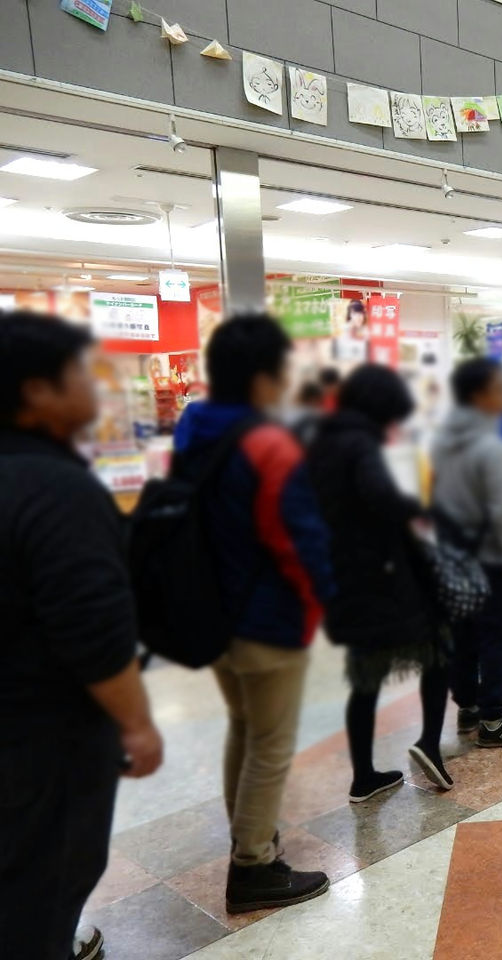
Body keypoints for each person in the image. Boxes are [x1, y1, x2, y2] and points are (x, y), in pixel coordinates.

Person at [0, 312, 164, 959]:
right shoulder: (56, 489)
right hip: (43, 739)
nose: (95, 388)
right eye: (80, 373)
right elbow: (93, 627)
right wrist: (136, 724)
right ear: (37, 391)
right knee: (41, 889)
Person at [172, 314, 335, 914]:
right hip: (267, 619)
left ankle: (252, 839)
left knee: (244, 727)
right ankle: (253, 868)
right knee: (270, 743)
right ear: (263, 377)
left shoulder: (193, 428)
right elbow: (296, 540)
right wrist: (325, 599)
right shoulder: (269, 443)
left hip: (209, 608)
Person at [307, 365, 453, 801]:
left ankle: (363, 776)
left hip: (343, 574)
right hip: (382, 574)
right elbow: (380, 496)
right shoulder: (360, 442)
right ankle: (429, 744)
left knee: (365, 675)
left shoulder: (324, 440)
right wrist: (416, 508)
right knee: (438, 647)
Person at [432, 358, 502, 748]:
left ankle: (468, 704)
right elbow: (500, 510)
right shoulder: (491, 447)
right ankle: (494, 719)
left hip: (453, 553)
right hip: (490, 557)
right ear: (479, 395)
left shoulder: (442, 441)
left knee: (463, 631)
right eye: (499, 388)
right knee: (496, 634)